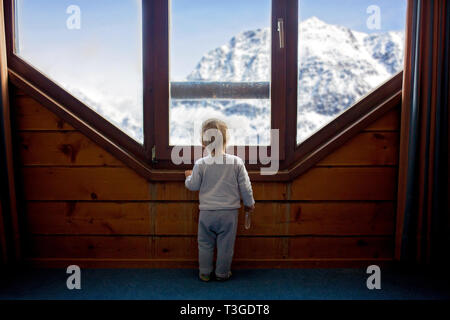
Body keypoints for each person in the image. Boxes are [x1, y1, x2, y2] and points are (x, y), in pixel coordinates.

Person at [185, 119, 255, 281]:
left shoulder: (201, 164)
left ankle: (204, 272)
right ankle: (222, 273)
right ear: (226, 139)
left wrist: (188, 178)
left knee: (204, 243)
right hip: (229, 213)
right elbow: (245, 186)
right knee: (226, 245)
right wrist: (249, 203)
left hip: (207, 212)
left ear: (204, 142)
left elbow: (193, 186)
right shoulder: (236, 162)